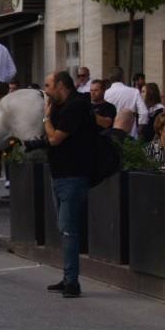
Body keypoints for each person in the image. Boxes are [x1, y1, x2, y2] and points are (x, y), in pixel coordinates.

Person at [41, 71, 96, 298]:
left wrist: (46, 118)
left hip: (73, 175)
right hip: (60, 174)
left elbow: (54, 138)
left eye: (48, 85)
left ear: (61, 85)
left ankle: (72, 282)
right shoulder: (62, 106)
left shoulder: (75, 106)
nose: (45, 90)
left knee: (69, 229)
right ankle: (67, 277)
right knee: (64, 228)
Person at [103, 66, 149, 137]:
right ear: (123, 77)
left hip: (110, 134)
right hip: (130, 133)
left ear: (109, 78)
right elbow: (144, 112)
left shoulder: (105, 94)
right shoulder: (134, 92)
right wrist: (140, 129)